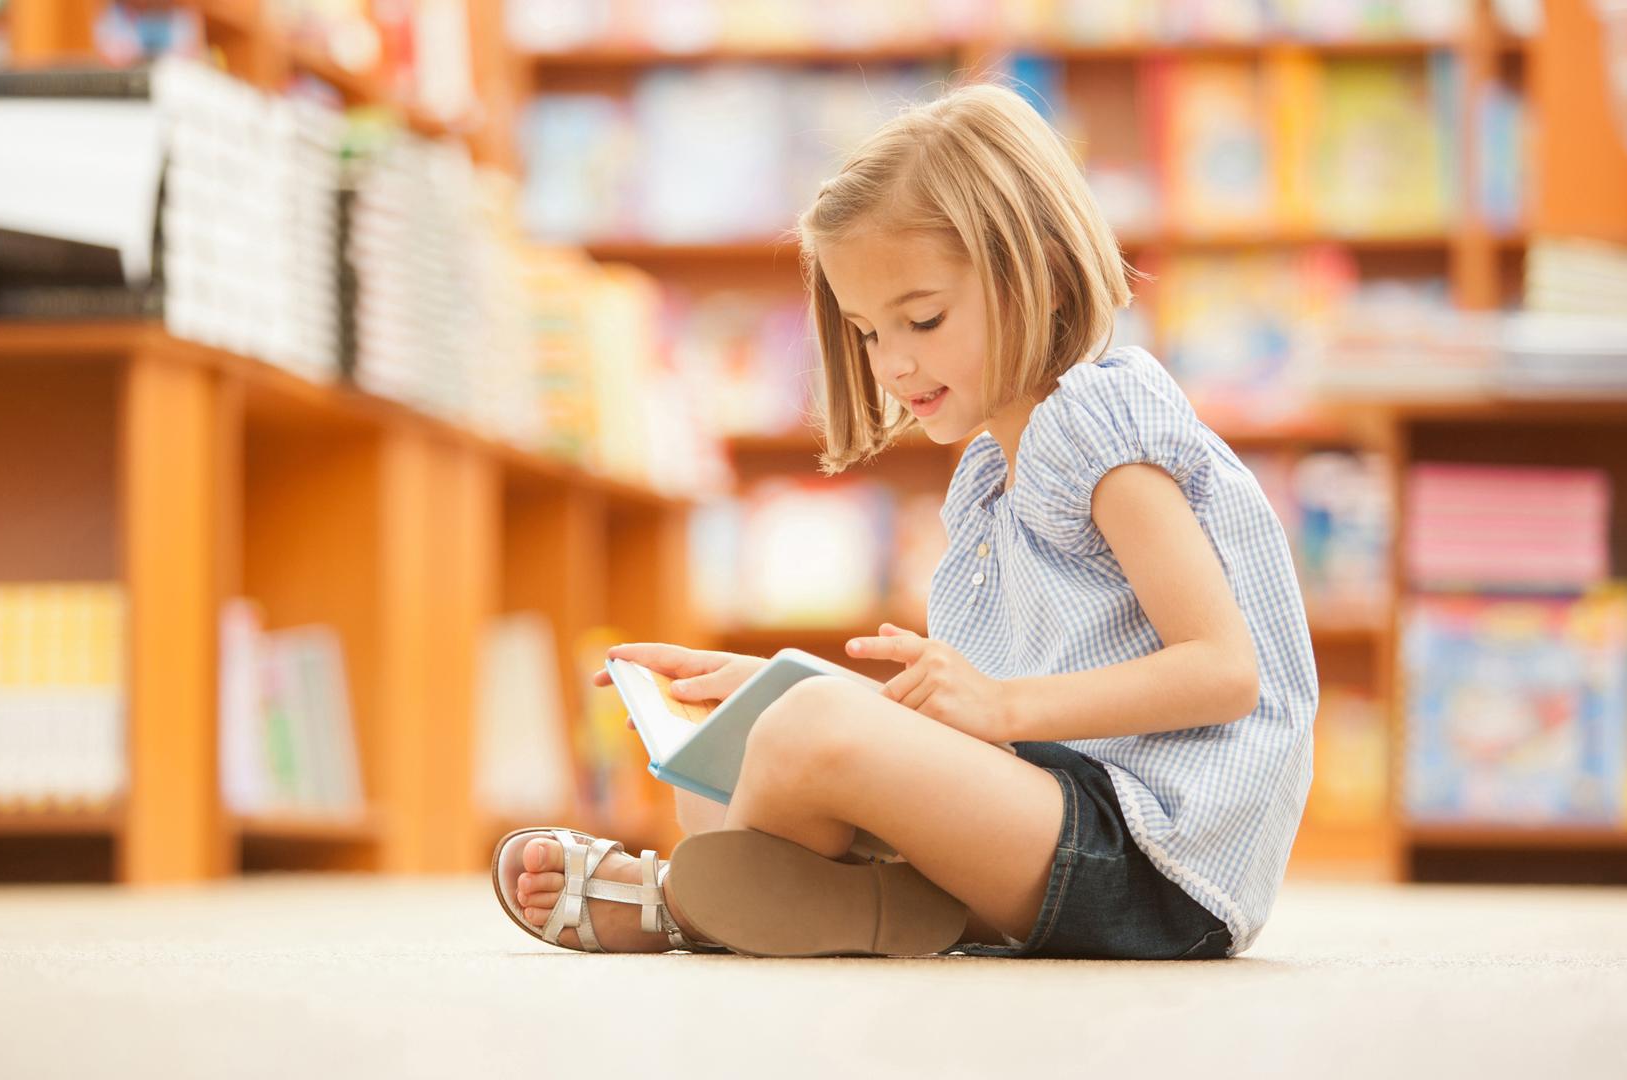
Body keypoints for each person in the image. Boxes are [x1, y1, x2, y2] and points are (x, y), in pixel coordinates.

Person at [493, 81, 1317, 960]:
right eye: (867, 333)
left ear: (1027, 266)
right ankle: (872, 908)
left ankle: (677, 908)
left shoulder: (1100, 425)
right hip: (1056, 819)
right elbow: (970, 726)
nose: (893, 362)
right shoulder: (994, 475)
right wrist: (767, 684)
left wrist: (991, 705)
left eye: (920, 319)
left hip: (1156, 864)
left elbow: (1224, 671)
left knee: (804, 734)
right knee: (721, 750)